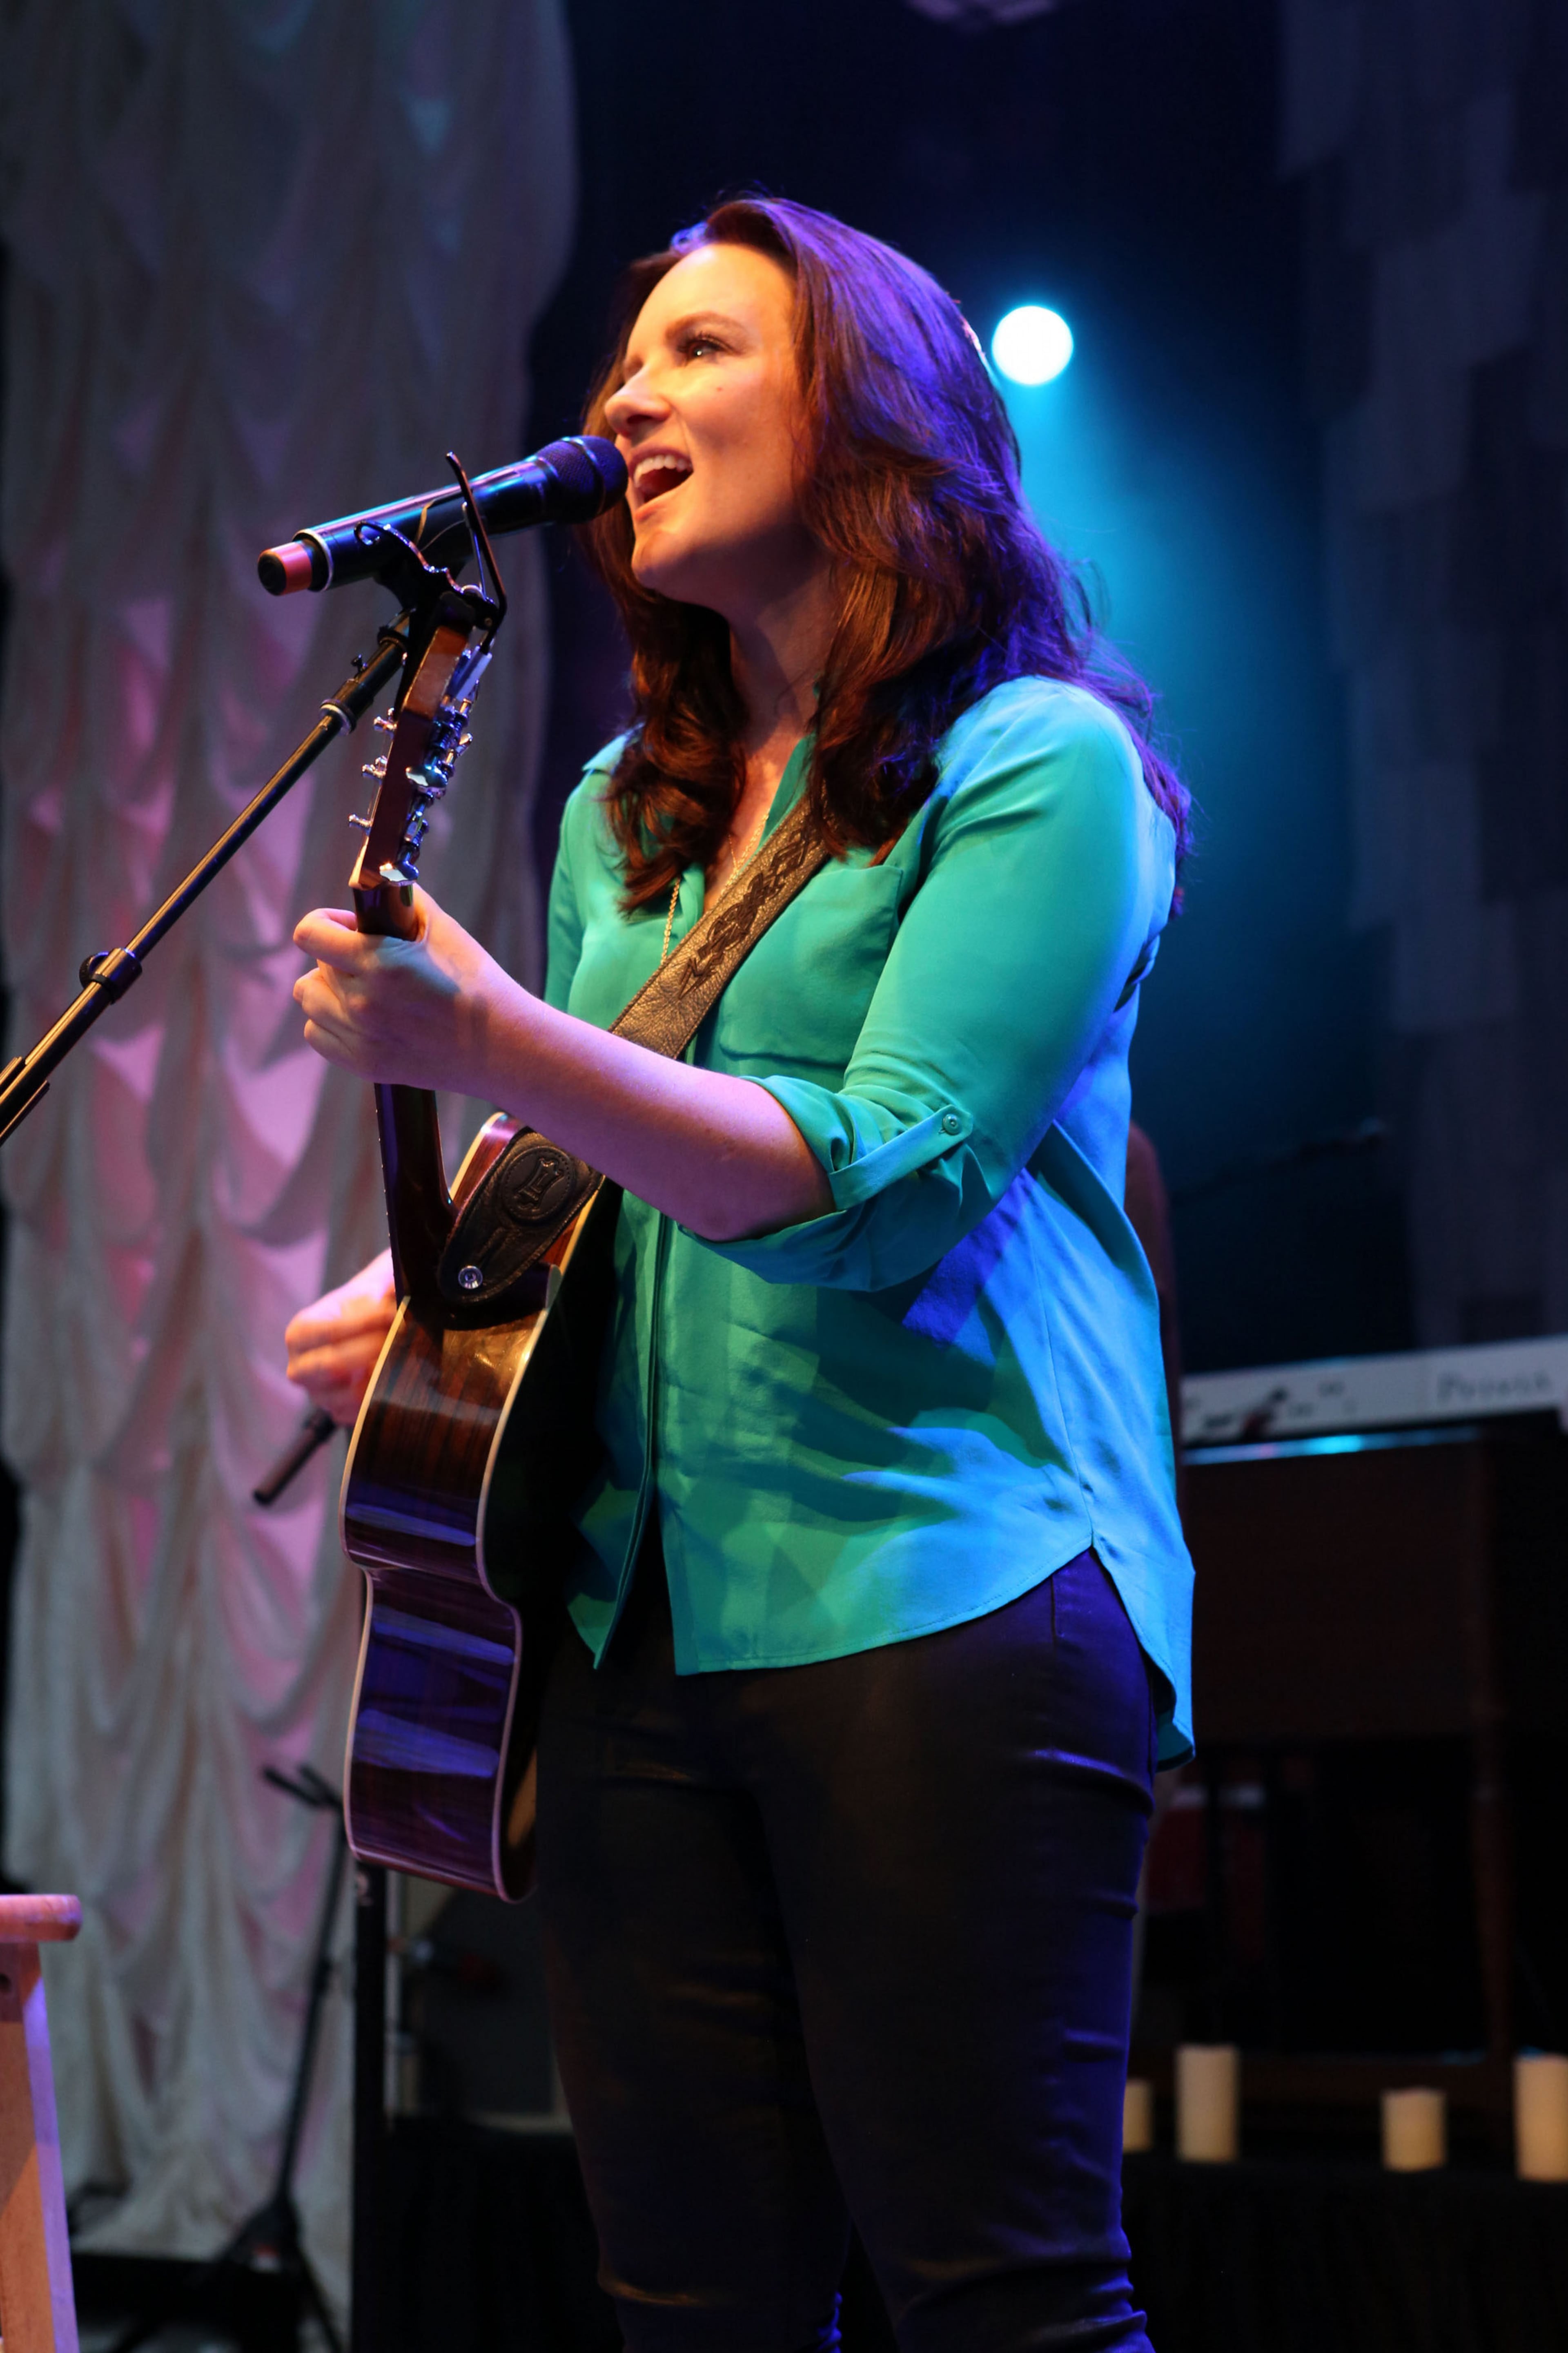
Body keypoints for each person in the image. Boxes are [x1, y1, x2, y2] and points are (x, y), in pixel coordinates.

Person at [285, 195, 1194, 2353]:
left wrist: (491, 1038)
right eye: (624, 364)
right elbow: (593, 1148)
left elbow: (885, 1187)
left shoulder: (1039, 767)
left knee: (1005, 2299)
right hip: (632, 1624)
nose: (626, 398)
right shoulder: (630, 807)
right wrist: (437, 1305)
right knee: (691, 2307)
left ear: (873, 412)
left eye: (697, 350)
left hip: (945, 1601)